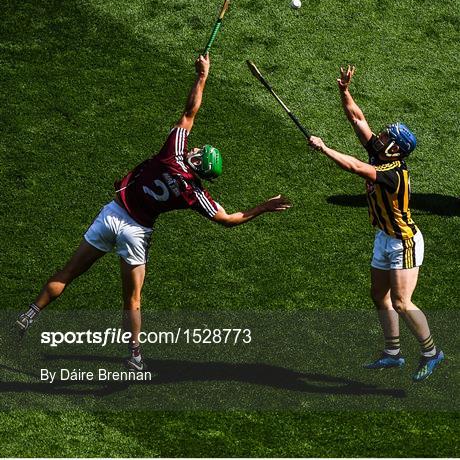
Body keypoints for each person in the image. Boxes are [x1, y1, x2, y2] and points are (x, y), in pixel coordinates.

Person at [16, 54, 291, 371]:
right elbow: (228, 220)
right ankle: (134, 355)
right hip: (137, 233)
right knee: (132, 301)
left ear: (198, 162)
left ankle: (30, 314)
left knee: (68, 272)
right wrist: (264, 207)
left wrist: (202, 76)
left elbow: (190, 112)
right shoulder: (193, 192)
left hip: (112, 215)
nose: (195, 150)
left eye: (199, 153)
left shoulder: (172, 152)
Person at [307, 65, 444, 382]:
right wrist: (344, 91)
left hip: (404, 241)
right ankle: (393, 353)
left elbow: (356, 167)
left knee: (401, 301)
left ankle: (431, 352)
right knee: (378, 296)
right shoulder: (381, 154)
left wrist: (324, 147)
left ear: (395, 148)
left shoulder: (393, 173)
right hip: (384, 236)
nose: (378, 136)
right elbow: (357, 120)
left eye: (384, 136)